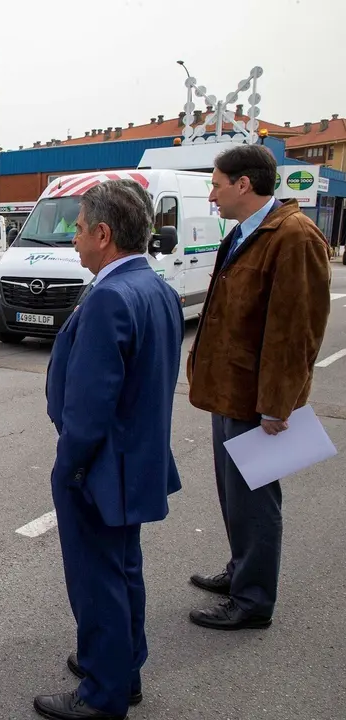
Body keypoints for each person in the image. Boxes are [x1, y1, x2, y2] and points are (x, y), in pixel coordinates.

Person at [38, 179, 184, 720]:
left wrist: (70, 466)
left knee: (97, 581)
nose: (73, 240)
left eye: (77, 229)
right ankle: (124, 669)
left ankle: (102, 694)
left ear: (103, 234)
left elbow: (91, 403)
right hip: (136, 459)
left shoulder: (109, 298)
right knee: (123, 572)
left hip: (100, 468)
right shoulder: (157, 288)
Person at [186, 144, 331, 631]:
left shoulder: (294, 237)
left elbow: (297, 331)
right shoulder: (246, 233)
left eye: (216, 183)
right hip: (229, 390)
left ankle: (252, 602)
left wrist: (277, 405)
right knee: (234, 497)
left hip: (256, 399)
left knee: (256, 500)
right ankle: (240, 571)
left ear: (243, 185)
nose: (212, 194)